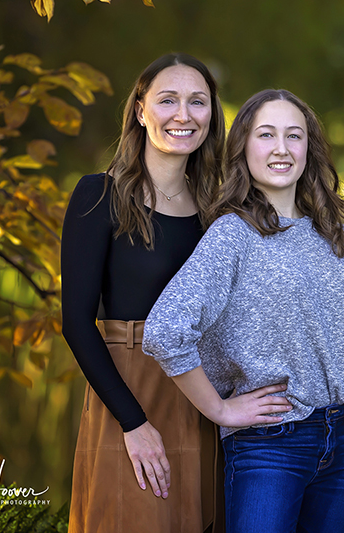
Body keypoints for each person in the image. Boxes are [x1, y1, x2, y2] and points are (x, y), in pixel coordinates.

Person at [142, 89, 344, 533]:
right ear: (244, 147)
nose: (282, 149)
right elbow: (165, 329)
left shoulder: (342, 234)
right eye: (266, 135)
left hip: (343, 445)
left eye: (295, 135)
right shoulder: (232, 234)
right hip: (271, 445)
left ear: (311, 147)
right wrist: (220, 410)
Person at [62, 53, 245, 533]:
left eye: (197, 102)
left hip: (203, 395)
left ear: (212, 115)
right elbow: (76, 323)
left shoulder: (219, 211)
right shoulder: (99, 195)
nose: (183, 115)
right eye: (168, 100)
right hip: (127, 393)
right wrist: (133, 424)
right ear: (141, 110)